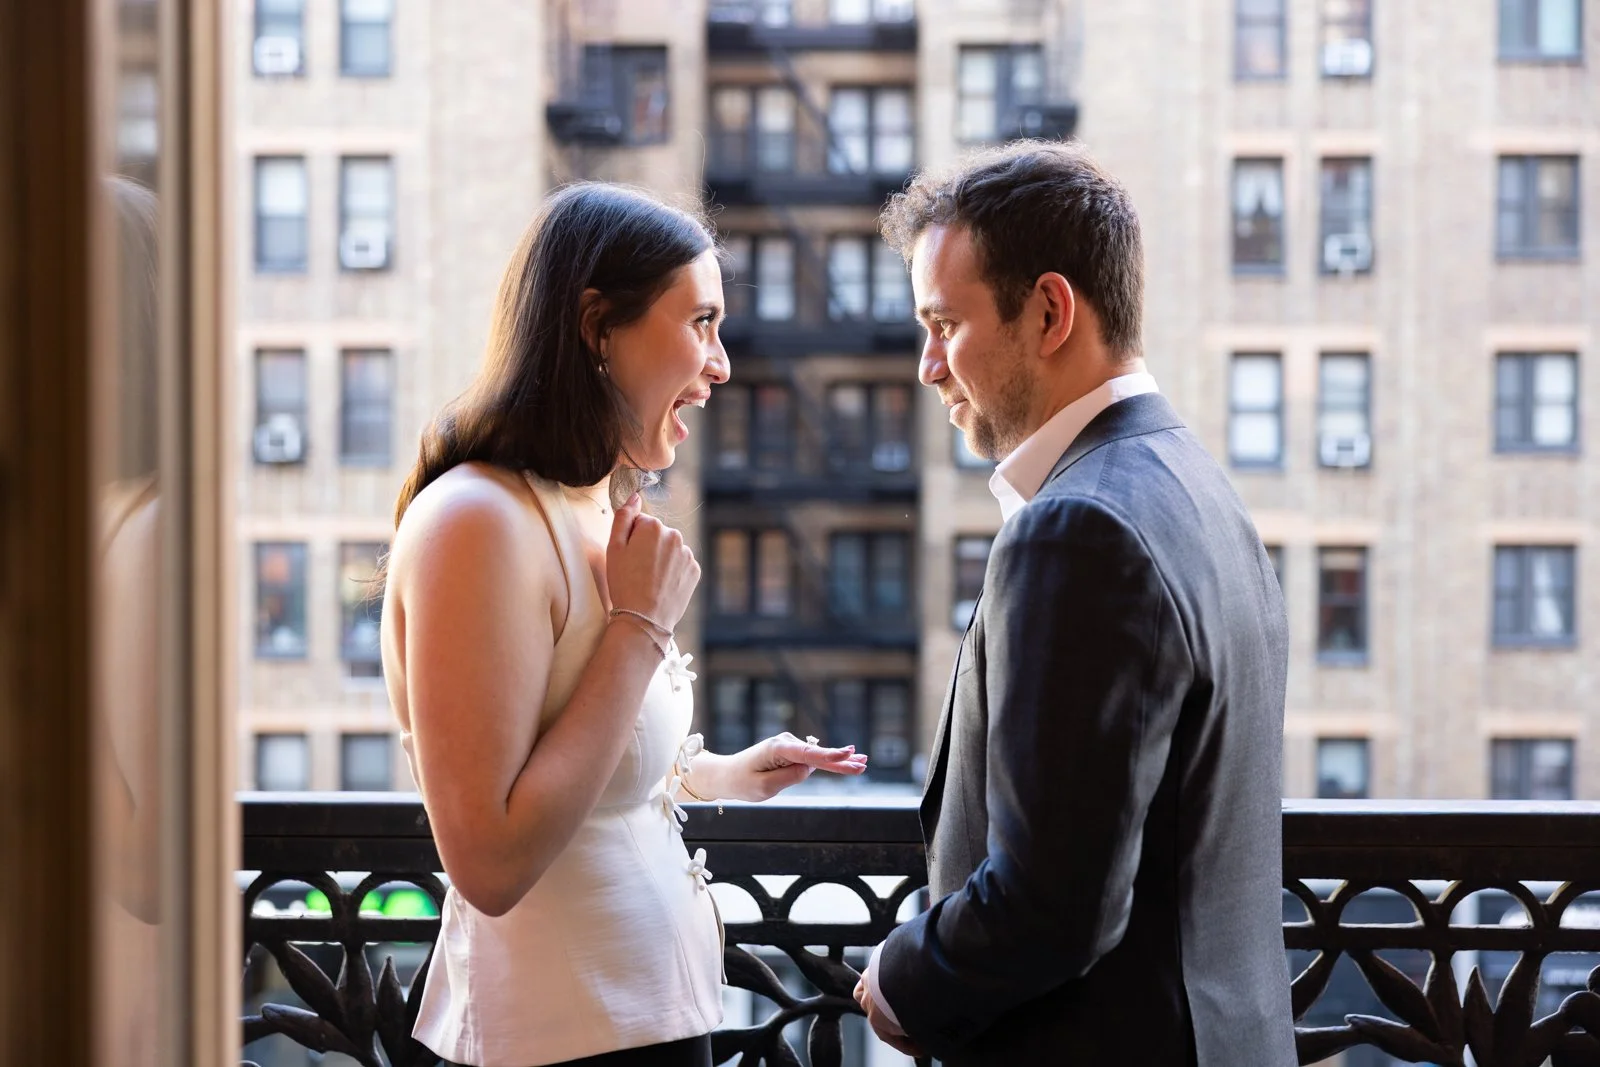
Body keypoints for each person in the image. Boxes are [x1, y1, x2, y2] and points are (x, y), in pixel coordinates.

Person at [381, 183, 868, 1067]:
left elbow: (585, 773)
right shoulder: (476, 523)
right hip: (557, 1045)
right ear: (600, 327)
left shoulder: (589, 508)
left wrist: (721, 774)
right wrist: (640, 627)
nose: (721, 365)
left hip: (652, 1023)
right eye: (702, 324)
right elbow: (489, 859)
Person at [853, 142, 1296, 1066]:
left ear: (1051, 311)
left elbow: (1055, 903)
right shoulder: (1199, 485)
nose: (929, 365)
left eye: (945, 324)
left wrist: (904, 975)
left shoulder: (1077, 531)